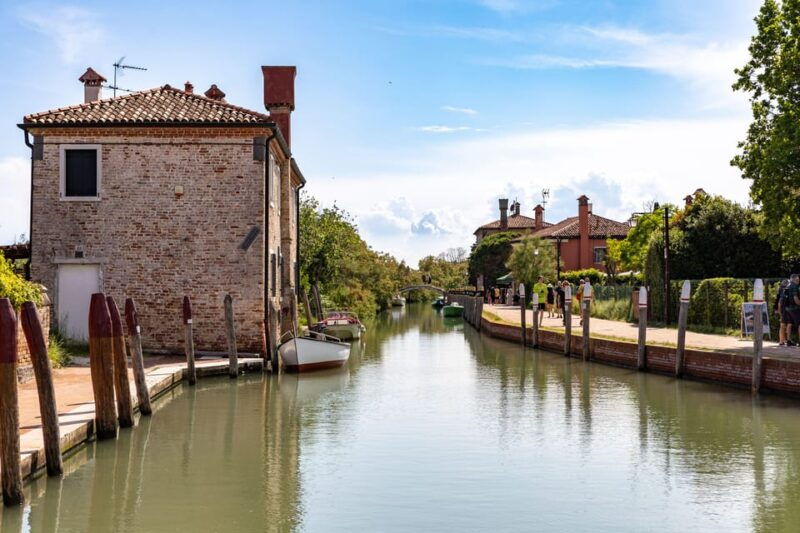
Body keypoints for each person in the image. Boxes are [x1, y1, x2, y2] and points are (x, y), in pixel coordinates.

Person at [783, 274, 800, 345]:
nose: (798, 281)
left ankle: (788, 341)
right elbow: (795, 298)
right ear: (794, 279)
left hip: (787, 308)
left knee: (789, 324)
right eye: (797, 280)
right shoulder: (795, 286)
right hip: (795, 308)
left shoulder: (787, 286)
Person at [776, 279, 791, 346]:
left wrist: (780, 312)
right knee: (788, 325)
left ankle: (781, 341)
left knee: (782, 325)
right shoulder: (786, 291)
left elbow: (779, 302)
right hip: (786, 310)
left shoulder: (780, 290)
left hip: (782, 310)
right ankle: (788, 341)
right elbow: (779, 302)